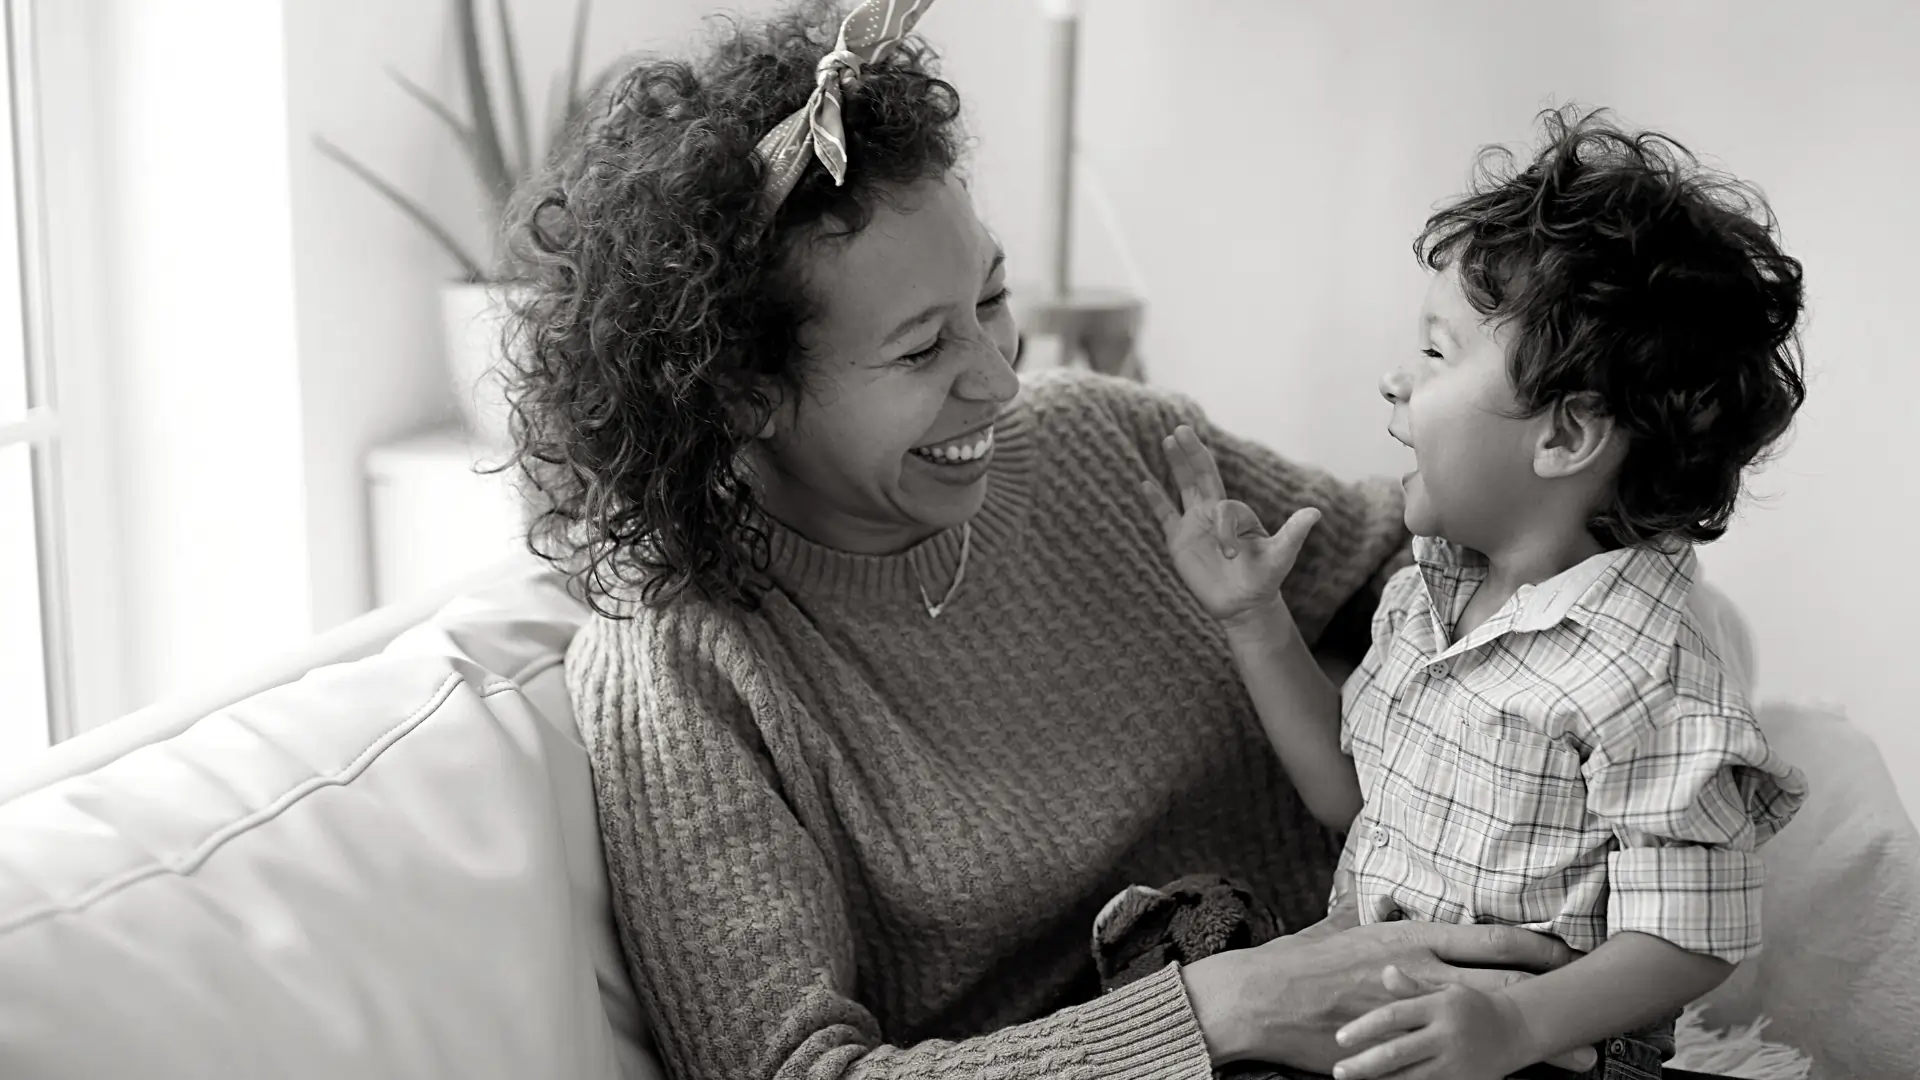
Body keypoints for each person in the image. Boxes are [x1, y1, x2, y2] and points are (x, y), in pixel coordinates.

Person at [501, 2, 1603, 1077]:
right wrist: (1223, 1013)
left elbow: (1415, 561)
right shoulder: (683, 670)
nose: (999, 377)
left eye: (991, 299)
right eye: (925, 350)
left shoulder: (1099, 442)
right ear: (746, 395)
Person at [1143, 110, 1807, 1080]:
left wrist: (1521, 1027)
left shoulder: (1646, 665)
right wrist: (1253, 617)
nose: (1392, 379)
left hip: (1534, 1050)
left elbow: (1693, 935)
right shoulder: (1429, 594)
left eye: (1437, 353)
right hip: (1384, 1015)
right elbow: (1348, 794)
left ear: (1566, 437)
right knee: (1185, 930)